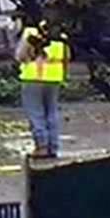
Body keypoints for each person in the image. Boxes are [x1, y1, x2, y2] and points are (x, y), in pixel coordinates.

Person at [15, 23, 70, 159]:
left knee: (36, 113)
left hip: (32, 78)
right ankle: (53, 146)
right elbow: (67, 58)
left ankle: (42, 146)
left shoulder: (31, 32)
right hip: (54, 79)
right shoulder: (61, 35)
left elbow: (20, 56)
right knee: (52, 112)